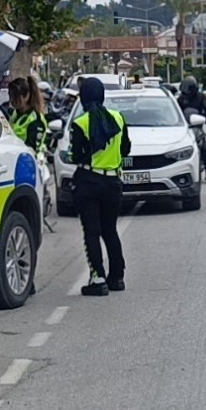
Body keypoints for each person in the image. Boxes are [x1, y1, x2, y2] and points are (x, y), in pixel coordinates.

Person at [68, 77, 131, 295]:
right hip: (113, 183)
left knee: (92, 233)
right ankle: (117, 277)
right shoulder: (118, 119)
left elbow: (75, 156)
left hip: (89, 182)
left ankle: (97, 279)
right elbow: (125, 150)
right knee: (110, 230)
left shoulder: (81, 123)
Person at [175, 75, 206, 182]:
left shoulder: (201, 97)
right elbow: (176, 112)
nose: (186, 94)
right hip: (185, 128)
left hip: (197, 126)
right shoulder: (181, 99)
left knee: (203, 147)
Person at [6, 76, 49, 155]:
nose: (11, 100)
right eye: (10, 96)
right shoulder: (15, 113)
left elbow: (32, 150)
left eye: (15, 97)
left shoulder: (36, 120)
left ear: (26, 96)